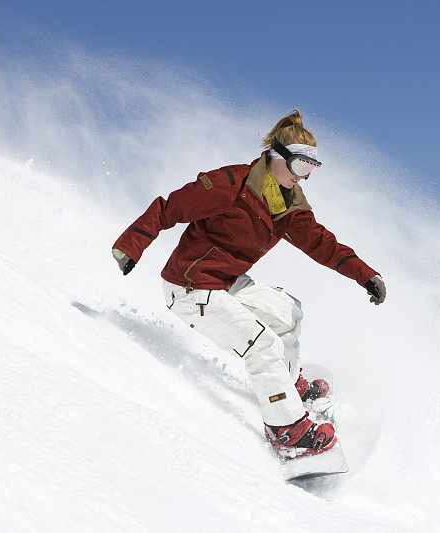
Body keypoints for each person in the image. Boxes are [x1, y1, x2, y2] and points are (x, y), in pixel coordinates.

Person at [111, 110, 386, 458]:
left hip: (226, 282)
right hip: (190, 286)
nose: (305, 178)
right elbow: (170, 208)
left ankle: (286, 385)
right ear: (277, 157)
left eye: (313, 171)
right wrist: (130, 246)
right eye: (302, 167)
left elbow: (321, 242)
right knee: (263, 345)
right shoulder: (230, 185)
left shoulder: (289, 205)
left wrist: (365, 275)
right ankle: (287, 433)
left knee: (289, 313)